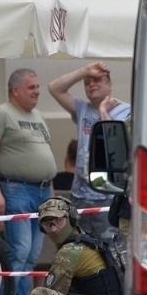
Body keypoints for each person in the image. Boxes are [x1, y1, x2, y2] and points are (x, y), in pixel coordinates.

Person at [0, 67, 56, 295]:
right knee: (19, 250)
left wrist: (52, 197)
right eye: (31, 87)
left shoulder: (38, 116)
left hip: (42, 189)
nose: (37, 91)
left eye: (37, 87)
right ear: (16, 90)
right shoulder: (0, 114)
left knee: (32, 254)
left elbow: (45, 157)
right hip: (15, 188)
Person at [47, 63, 131, 238]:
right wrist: (84, 71)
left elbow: (114, 148)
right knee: (82, 250)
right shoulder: (82, 109)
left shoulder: (125, 111)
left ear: (110, 85)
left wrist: (103, 113)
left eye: (97, 80)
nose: (91, 85)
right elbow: (54, 88)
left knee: (109, 251)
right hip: (80, 196)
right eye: (87, 82)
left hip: (107, 196)